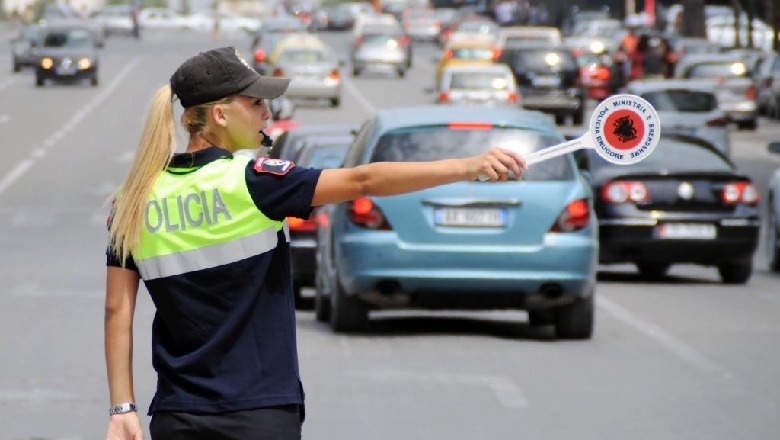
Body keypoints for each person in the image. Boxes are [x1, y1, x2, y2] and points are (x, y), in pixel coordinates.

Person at [103, 46, 526, 440]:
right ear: (220, 115)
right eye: (256, 104)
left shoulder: (135, 199)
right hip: (259, 413)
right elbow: (363, 179)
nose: (267, 113)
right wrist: (466, 166)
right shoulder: (252, 181)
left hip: (178, 417)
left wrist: (122, 407)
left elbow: (117, 309)